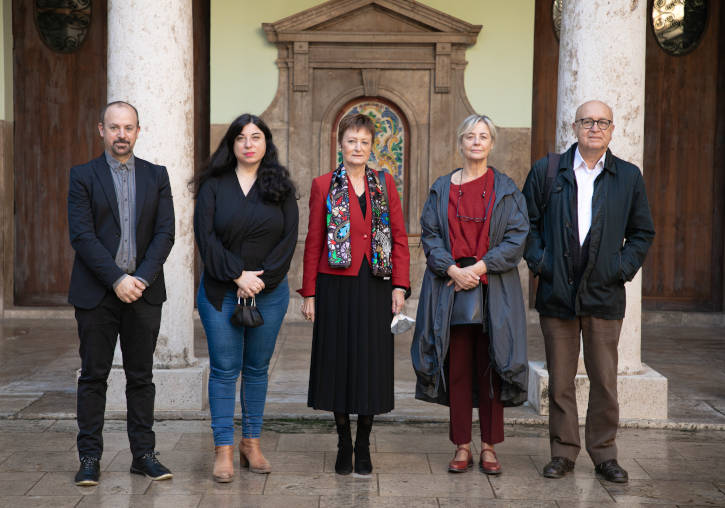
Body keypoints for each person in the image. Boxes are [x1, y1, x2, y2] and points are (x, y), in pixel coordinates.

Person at [522, 100, 655, 483]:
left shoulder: (628, 177)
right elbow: (526, 224)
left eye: (602, 122)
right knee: (560, 381)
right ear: (575, 126)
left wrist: (621, 268)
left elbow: (643, 232)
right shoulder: (548, 171)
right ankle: (563, 453)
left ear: (612, 129)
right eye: (587, 121)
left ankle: (604, 454)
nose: (594, 128)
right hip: (556, 294)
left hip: (604, 294)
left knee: (604, 381)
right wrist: (542, 264)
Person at [411, 114, 529, 476]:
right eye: (470, 136)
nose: (476, 142)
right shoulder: (441, 188)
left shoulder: (506, 189)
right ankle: (462, 444)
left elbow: (516, 238)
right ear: (460, 143)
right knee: (458, 367)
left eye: (483, 136)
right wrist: (452, 270)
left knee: (492, 366)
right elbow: (429, 234)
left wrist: (478, 269)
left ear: (491, 143)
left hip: (493, 287)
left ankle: (490, 446)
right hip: (450, 288)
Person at [68, 101, 175, 486]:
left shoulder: (157, 176)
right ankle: (90, 458)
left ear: (138, 131)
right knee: (93, 377)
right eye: (114, 127)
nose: (121, 134)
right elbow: (82, 235)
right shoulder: (82, 176)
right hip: (97, 293)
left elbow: (166, 234)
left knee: (141, 377)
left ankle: (143, 455)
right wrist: (116, 278)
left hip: (143, 293)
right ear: (101, 130)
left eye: (128, 127)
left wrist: (140, 279)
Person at [299, 113, 410, 476]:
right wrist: (310, 293)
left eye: (364, 141)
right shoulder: (322, 185)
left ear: (371, 146)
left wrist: (399, 285)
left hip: (376, 284)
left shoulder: (385, 183)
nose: (357, 147)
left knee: (370, 362)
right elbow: (314, 241)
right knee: (338, 361)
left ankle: (364, 443)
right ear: (340, 144)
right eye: (351, 141)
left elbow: (399, 238)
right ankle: (343, 441)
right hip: (335, 285)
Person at [192, 114, 298, 482]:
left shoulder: (281, 187)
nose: (248, 143)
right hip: (221, 291)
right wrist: (238, 274)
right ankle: (223, 448)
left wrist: (259, 281)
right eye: (240, 138)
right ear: (232, 145)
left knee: (256, 369)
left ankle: (250, 443)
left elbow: (288, 242)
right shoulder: (214, 186)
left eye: (256, 137)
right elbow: (205, 238)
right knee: (224, 369)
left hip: (269, 293)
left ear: (266, 143)